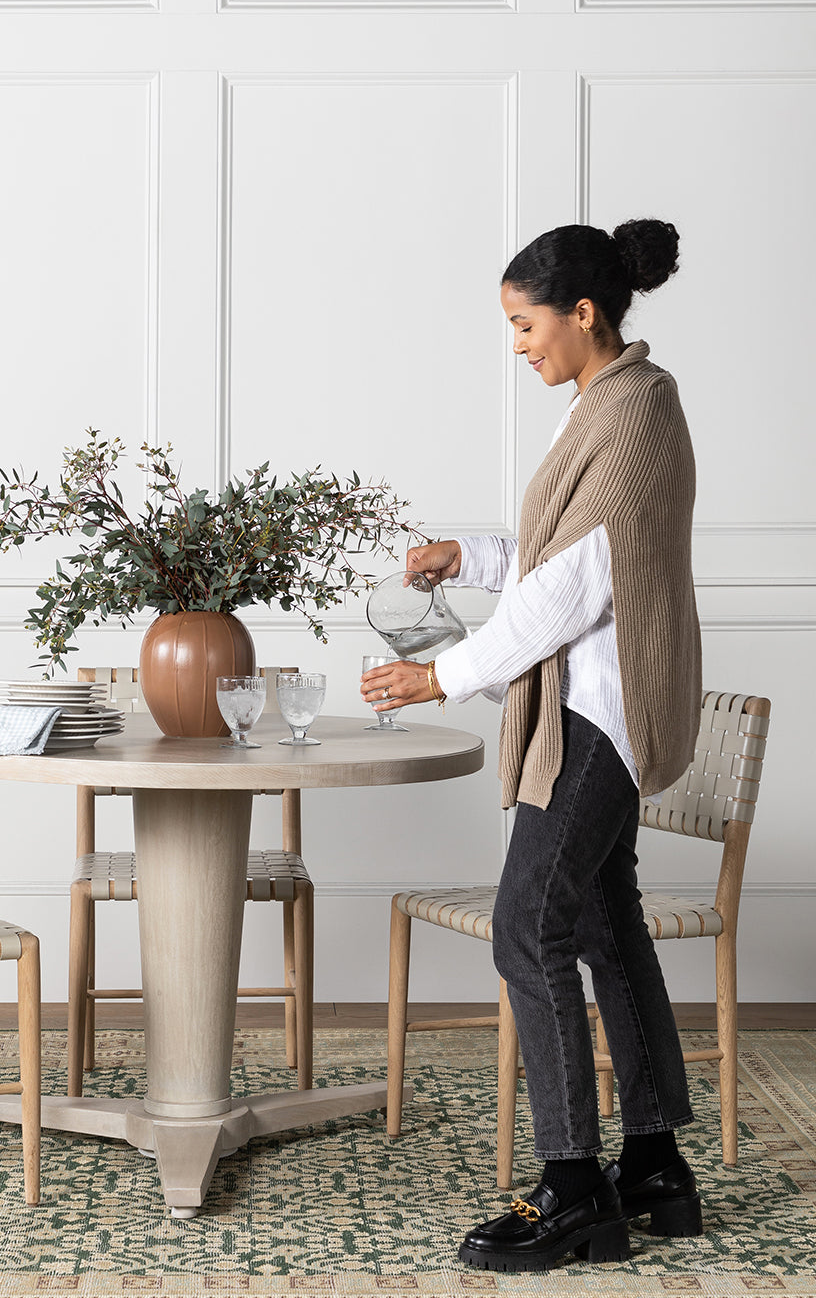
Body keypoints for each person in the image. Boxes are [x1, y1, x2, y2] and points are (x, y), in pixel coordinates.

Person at [361, 220, 703, 1274]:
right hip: (597, 704)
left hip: (600, 713)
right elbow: (559, 553)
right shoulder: (608, 408)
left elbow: (576, 586)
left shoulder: (634, 412)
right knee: (603, 921)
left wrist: (442, 675)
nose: (518, 343)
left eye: (524, 322)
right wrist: (471, 554)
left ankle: (573, 1190)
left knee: (528, 926)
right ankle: (652, 1166)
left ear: (582, 313)